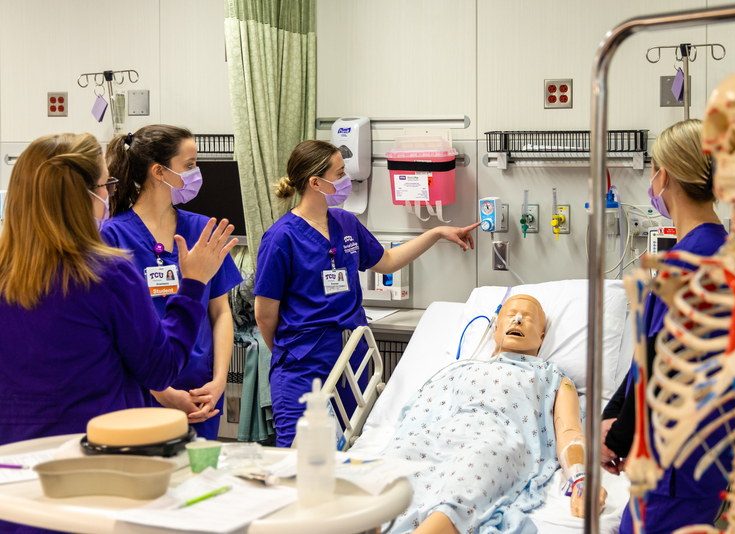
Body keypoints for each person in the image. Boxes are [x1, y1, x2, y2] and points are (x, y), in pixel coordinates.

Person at [0, 132, 237, 447]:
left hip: (15, 453)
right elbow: (160, 368)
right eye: (105, 185)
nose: (111, 193)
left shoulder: (8, 272)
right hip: (92, 446)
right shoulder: (105, 273)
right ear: (81, 195)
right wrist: (192, 284)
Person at [254, 140, 479, 447]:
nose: (347, 180)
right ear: (315, 182)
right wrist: (292, 352)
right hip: (303, 365)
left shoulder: (346, 223)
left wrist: (437, 232)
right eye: (340, 172)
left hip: (352, 357)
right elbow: (265, 314)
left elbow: (386, 262)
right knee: (300, 459)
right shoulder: (280, 238)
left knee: (350, 449)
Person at [381, 295, 607, 534]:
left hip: (496, 439)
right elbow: (420, 416)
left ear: (542, 337)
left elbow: (569, 430)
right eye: (510, 315)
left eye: (528, 318)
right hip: (439, 436)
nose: (518, 319)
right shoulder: (460, 368)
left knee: (465, 486)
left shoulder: (552, 376)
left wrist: (580, 479)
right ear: (495, 328)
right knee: (386, 475)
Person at [601, 120, 731, 534]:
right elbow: (650, 350)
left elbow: (660, 367)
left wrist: (617, 438)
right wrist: (614, 412)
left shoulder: (689, 263)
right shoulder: (719, 249)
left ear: (666, 175)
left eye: (653, 169)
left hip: (675, 467)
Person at [101, 125, 243, 440]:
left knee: (199, 482)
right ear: (158, 172)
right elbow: (113, 331)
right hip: (142, 395)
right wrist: (164, 393)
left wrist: (219, 381)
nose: (197, 173)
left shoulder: (203, 231)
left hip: (200, 394)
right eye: (190, 165)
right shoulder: (112, 237)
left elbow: (220, 312)